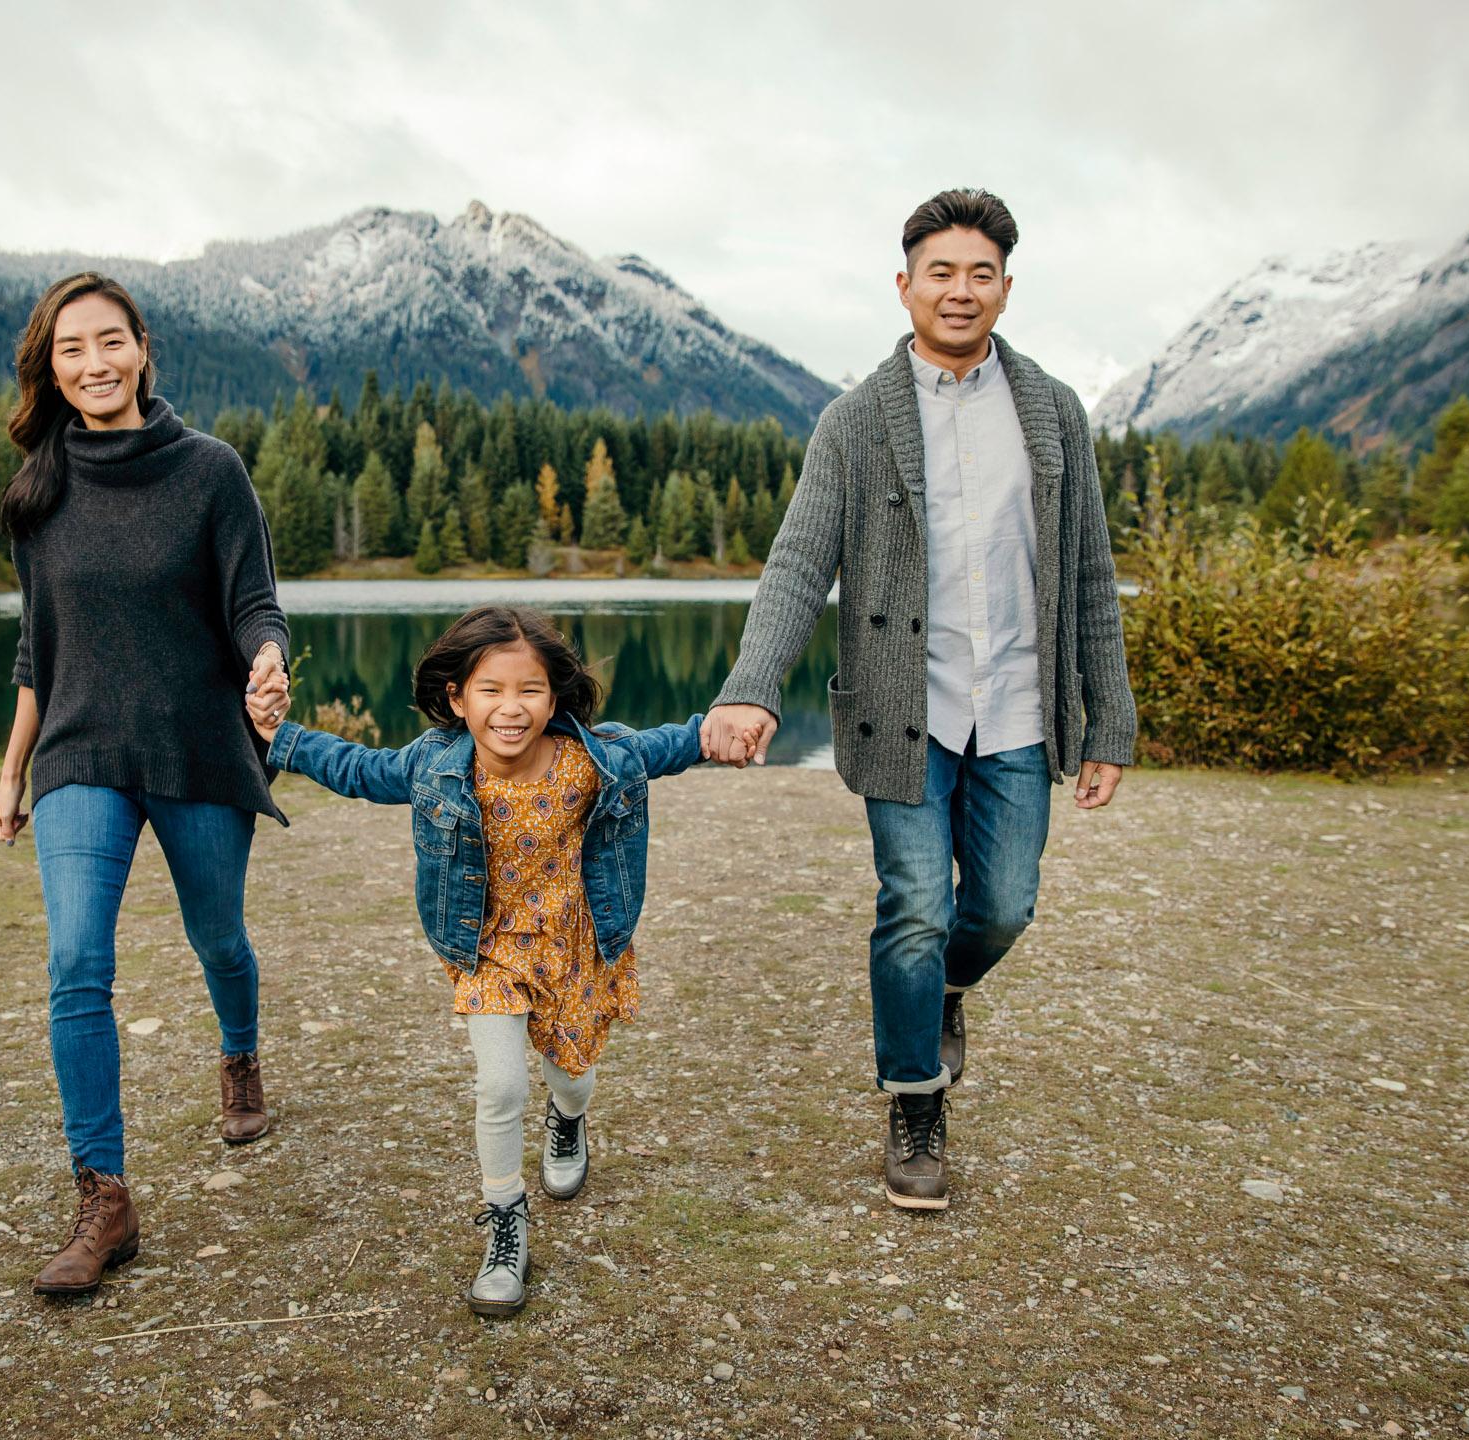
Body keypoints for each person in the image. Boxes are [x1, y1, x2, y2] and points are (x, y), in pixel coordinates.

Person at [702, 189, 1136, 1211]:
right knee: (912, 908)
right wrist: (752, 686)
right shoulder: (855, 421)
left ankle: (944, 991)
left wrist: (1108, 719)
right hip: (904, 710)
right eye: (940, 272)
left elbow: (1090, 576)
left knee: (1002, 905)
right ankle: (914, 1101)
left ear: (1005, 289)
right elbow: (800, 563)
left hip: (1021, 709)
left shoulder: (1053, 411)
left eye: (980, 273)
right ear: (905, 286)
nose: (960, 290)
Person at [247, 607, 706, 1316]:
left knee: (572, 1078)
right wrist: (280, 737)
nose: (511, 708)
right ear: (458, 699)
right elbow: (358, 768)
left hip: (575, 949)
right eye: (490, 690)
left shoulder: (594, 757)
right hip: (486, 953)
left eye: (529, 689)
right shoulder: (433, 762)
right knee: (498, 1087)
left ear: (554, 697)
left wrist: (720, 729)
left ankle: (567, 1117)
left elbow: (672, 745)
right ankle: (505, 1223)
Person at [0, 271, 292, 1296]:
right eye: (70, 350)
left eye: (109, 343)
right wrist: (11, 769)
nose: (93, 365)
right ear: (51, 366)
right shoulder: (39, 490)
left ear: (144, 348)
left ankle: (239, 1055)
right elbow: (39, 649)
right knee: (76, 961)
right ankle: (103, 1199)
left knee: (218, 937)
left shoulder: (210, 472)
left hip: (198, 746)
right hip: (82, 754)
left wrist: (265, 661)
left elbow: (255, 603)